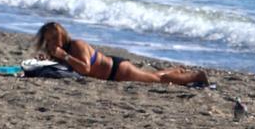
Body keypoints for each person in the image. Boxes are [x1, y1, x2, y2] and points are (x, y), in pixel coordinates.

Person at [33, 22, 208, 86]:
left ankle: (196, 76)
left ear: (62, 36)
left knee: (157, 80)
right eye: (48, 41)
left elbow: (85, 69)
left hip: (118, 70)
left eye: (54, 39)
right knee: (152, 75)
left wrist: (63, 56)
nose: (52, 43)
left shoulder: (77, 45)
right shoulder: (62, 52)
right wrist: (47, 59)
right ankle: (176, 70)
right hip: (113, 74)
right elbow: (68, 68)